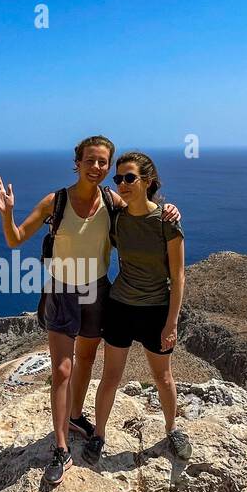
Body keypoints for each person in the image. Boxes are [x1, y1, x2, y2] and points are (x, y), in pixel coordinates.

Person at [0, 136, 180, 484]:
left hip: (98, 290)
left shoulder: (111, 200)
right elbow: (15, 239)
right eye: (90, 160)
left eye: (104, 163)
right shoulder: (55, 201)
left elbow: (141, 210)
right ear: (77, 163)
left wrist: (168, 209)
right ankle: (60, 448)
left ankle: (75, 415)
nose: (98, 168)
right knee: (62, 369)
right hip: (61, 289)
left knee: (87, 360)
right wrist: (8, 213)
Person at [86, 150, 191, 464]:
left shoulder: (165, 221)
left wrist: (171, 322)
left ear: (149, 181)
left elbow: (179, 275)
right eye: (119, 178)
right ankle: (98, 434)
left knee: (164, 378)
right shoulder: (117, 220)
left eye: (129, 178)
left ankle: (173, 430)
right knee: (110, 377)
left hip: (155, 310)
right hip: (120, 307)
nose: (122, 184)